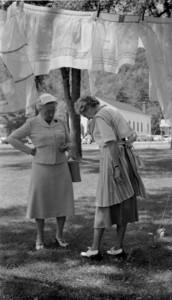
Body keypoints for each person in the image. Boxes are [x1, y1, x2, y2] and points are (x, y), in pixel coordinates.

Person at [75, 96, 146, 259]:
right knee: (124, 201)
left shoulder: (100, 116)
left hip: (112, 159)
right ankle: (118, 247)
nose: (85, 117)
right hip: (125, 159)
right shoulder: (112, 110)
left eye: (84, 113)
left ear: (87, 107)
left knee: (103, 201)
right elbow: (131, 136)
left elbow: (111, 143)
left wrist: (115, 167)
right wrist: (125, 148)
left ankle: (94, 249)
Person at [8, 93, 74, 250]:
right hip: (41, 168)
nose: (51, 114)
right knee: (40, 202)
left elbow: (70, 142)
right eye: (48, 111)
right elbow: (12, 138)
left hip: (61, 167)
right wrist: (30, 151)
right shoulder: (32, 123)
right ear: (40, 109)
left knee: (62, 201)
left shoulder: (61, 122)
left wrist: (67, 147)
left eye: (53, 110)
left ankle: (59, 235)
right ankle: (40, 237)